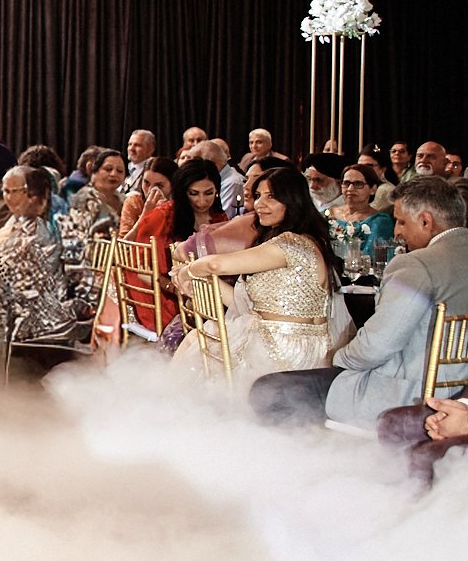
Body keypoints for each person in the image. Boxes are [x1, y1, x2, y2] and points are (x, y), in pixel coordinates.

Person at [251, 178, 468, 428]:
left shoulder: (416, 264)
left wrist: (337, 358)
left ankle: (319, 452)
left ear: (426, 221)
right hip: (460, 395)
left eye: (401, 222)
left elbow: (378, 345)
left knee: (268, 390)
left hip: (408, 394)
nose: (397, 232)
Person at [174, 166, 342, 387]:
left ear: (292, 200)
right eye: (258, 195)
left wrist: (187, 272)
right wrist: (200, 280)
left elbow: (215, 264)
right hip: (276, 339)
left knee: (202, 349)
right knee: (201, 337)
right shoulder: (292, 240)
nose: (259, 204)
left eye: (271, 197)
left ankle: (170, 398)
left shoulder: (292, 244)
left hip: (286, 349)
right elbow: (243, 303)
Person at [0, 164, 76, 356]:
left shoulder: (41, 233)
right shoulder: (14, 225)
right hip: (1, 323)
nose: (8, 197)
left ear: (34, 196)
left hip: (31, 334)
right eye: (5, 191)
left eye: (13, 191)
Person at [114, 156, 180, 332]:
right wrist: (145, 214)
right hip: (139, 271)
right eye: (146, 183)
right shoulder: (135, 201)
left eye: (159, 185)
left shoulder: (176, 209)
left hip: (166, 274)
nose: (151, 190)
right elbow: (122, 247)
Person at [327, 162, 393, 264]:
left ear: (373, 189)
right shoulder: (329, 213)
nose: (350, 189)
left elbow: (372, 259)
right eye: (346, 183)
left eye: (358, 184)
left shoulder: (379, 221)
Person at [69, 148, 128, 235]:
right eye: (108, 169)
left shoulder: (125, 200)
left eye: (119, 171)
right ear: (94, 172)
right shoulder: (85, 197)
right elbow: (80, 234)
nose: (114, 174)